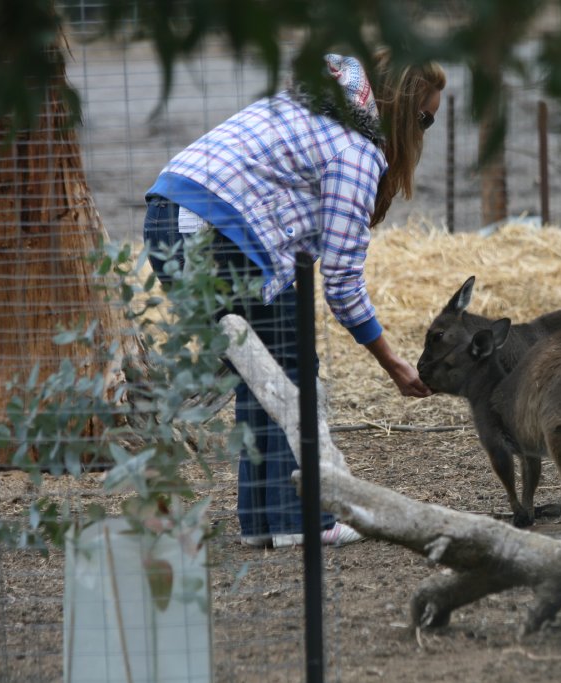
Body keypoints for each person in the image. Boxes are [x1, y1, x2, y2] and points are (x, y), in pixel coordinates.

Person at [143, 51, 445, 549]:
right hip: (214, 232)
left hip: (166, 219)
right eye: (425, 119)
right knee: (291, 370)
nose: (426, 130)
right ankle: (298, 520)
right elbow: (343, 285)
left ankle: (267, 522)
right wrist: (392, 363)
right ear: (403, 108)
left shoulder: (309, 105)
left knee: (262, 370)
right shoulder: (355, 151)